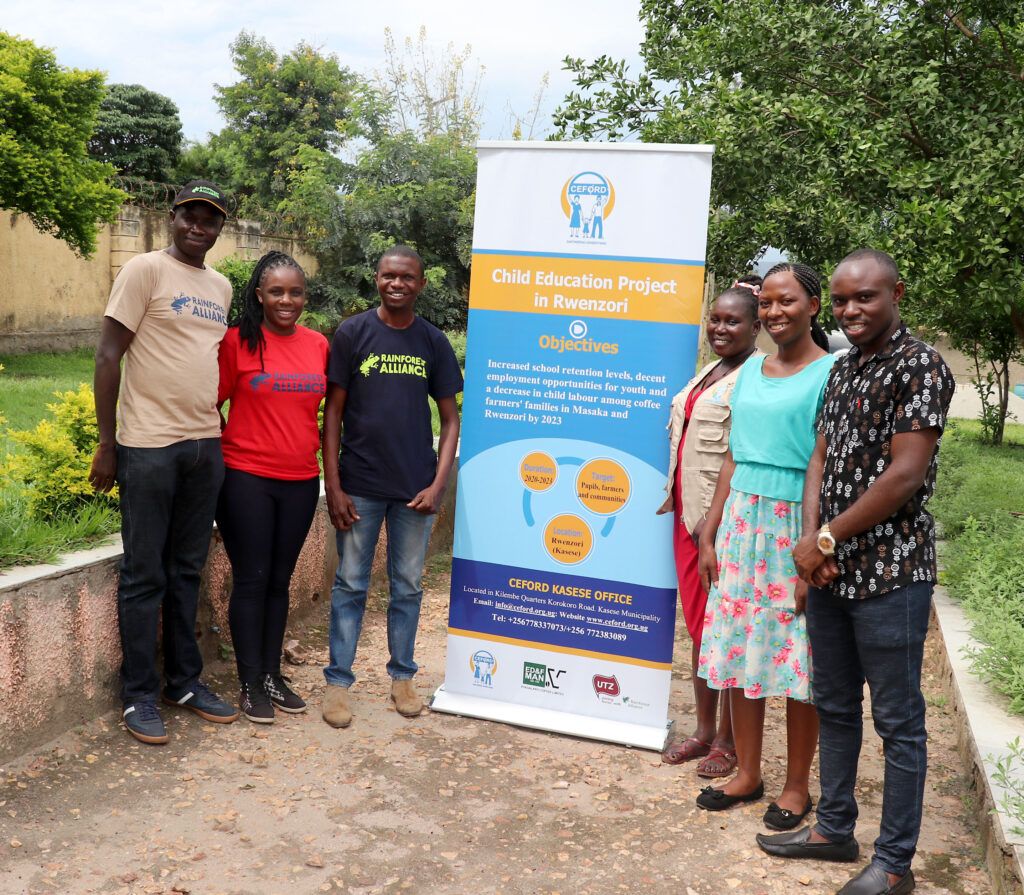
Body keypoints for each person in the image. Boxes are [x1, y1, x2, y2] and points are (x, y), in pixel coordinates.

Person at [757, 249, 955, 895]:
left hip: (891, 575)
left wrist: (825, 538)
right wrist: (814, 543)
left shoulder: (920, 365)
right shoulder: (842, 368)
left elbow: (905, 473)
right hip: (831, 574)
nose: (850, 310)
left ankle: (894, 864)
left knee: (898, 723)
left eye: (864, 297)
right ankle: (833, 828)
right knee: (835, 705)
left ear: (897, 292)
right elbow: (819, 457)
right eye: (842, 300)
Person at [89, 180, 239, 744]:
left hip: (204, 444)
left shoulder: (220, 286)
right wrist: (108, 443)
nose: (198, 226)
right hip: (149, 445)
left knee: (187, 569)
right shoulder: (144, 271)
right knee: (144, 573)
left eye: (210, 219)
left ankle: (184, 682)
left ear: (219, 228)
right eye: (189, 216)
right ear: (172, 217)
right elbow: (107, 356)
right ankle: (138, 695)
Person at [694, 262, 834, 828]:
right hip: (740, 524)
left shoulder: (831, 372)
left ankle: (797, 786)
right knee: (740, 646)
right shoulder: (750, 369)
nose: (775, 312)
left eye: (787, 301)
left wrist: (813, 548)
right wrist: (710, 528)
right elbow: (733, 454)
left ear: (813, 306)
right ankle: (748, 772)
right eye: (768, 303)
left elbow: (826, 464)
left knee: (799, 658)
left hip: (793, 525)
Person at [321, 245, 463, 728]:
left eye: (406, 277)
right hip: (359, 485)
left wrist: (438, 484)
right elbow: (333, 413)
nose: (396, 284)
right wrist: (334, 485)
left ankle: (403, 677)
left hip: (414, 491)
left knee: (407, 586)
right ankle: (338, 684)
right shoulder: (353, 333)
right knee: (350, 584)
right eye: (388, 275)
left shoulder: (432, 341)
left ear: (421, 284)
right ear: (377, 278)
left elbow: (450, 420)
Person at [215, 252, 329, 724]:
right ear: (259, 295)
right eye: (276, 291)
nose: (287, 300)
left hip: (301, 479)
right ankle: (249, 681)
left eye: (295, 292)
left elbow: (329, 410)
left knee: (280, 581)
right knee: (252, 578)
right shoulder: (235, 342)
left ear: (305, 297)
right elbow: (209, 402)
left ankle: (271, 675)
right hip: (245, 477)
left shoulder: (318, 344)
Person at [658, 279, 763, 776]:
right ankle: (703, 731)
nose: (720, 328)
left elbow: (743, 458)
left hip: (720, 527)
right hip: (687, 518)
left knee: (725, 631)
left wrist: (713, 526)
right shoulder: (712, 369)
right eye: (715, 319)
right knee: (701, 630)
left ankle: (728, 741)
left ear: (756, 327)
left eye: (732, 321)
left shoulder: (755, 378)